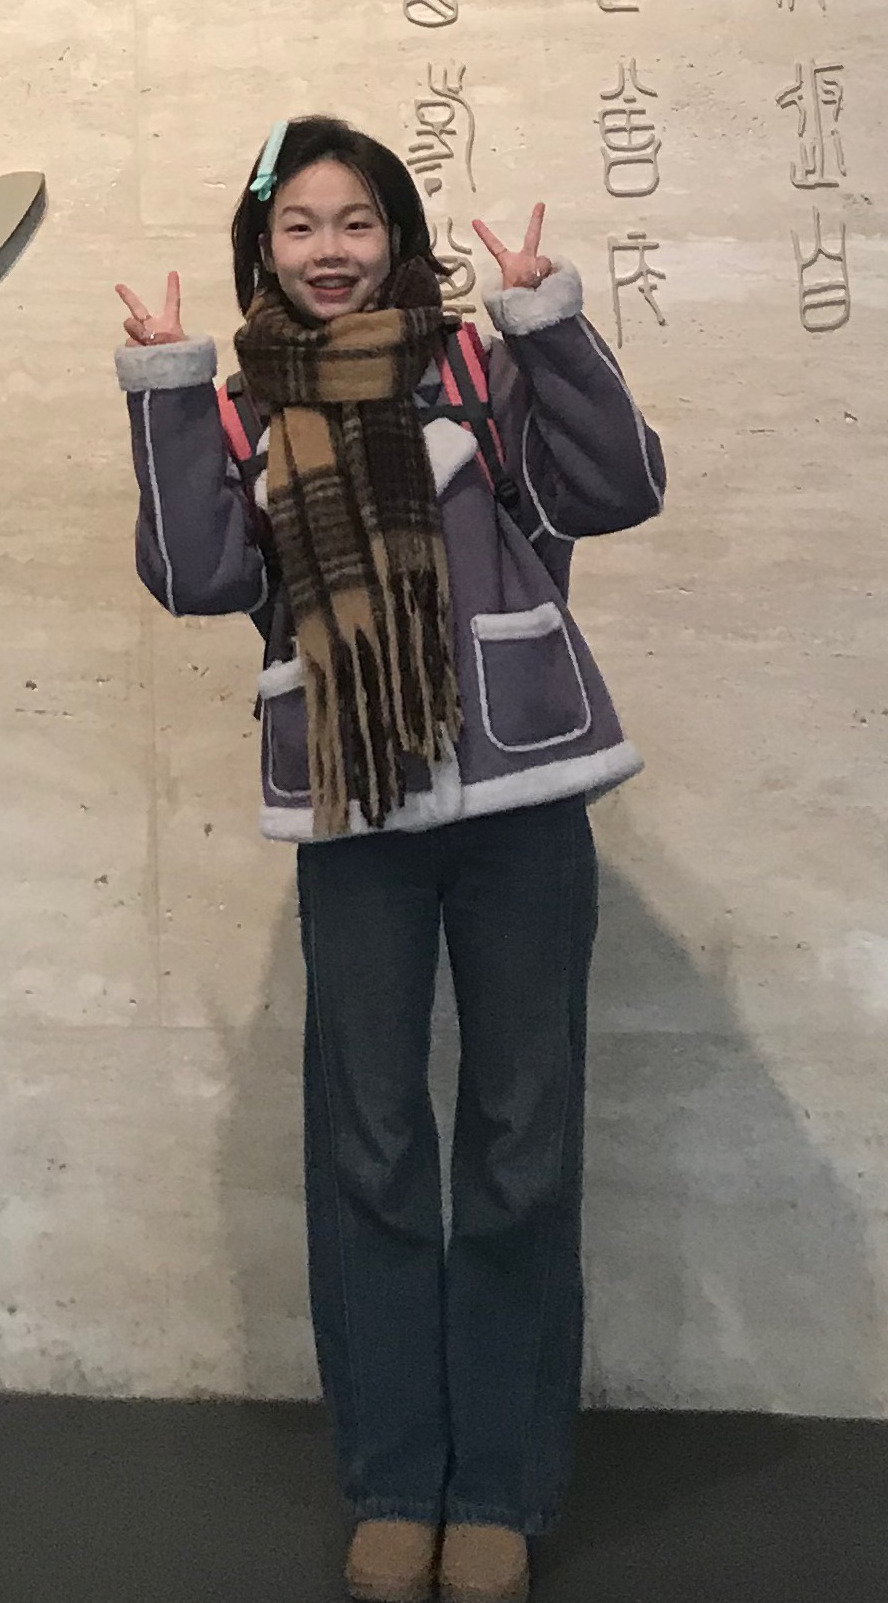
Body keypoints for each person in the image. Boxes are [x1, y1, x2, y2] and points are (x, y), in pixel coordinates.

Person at [112, 115, 665, 1603]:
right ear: (262, 249)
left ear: (399, 238)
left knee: (520, 1142)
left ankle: (499, 1488)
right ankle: (396, 1481)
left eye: (355, 221)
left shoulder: (476, 368)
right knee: (368, 1144)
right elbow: (197, 575)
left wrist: (547, 322)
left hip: (522, 792)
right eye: (298, 225)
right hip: (354, 811)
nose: (330, 250)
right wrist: (168, 394)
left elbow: (617, 488)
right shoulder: (240, 406)